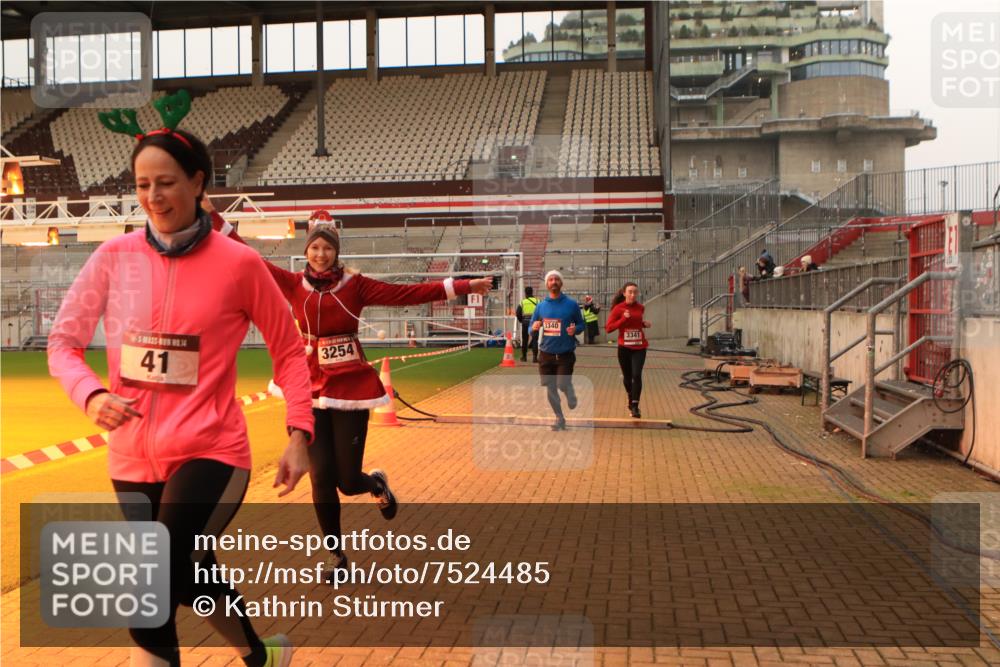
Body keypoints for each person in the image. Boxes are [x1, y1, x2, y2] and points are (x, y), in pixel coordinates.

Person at [48, 126, 313, 667]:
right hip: (130, 455)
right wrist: (91, 395)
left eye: (166, 182)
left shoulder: (240, 264)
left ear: (197, 182)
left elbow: (289, 351)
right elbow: (63, 343)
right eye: (143, 185)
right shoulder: (112, 258)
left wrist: (299, 433)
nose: (153, 196)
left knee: (151, 579)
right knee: (190, 570)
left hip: (210, 449)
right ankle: (262, 656)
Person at [218, 205, 492, 580]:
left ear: (336, 250)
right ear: (306, 251)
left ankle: (374, 483)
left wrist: (461, 285)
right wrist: (213, 217)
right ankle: (337, 557)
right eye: (314, 248)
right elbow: (250, 258)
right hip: (307, 387)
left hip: (349, 387)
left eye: (327, 248)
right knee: (320, 477)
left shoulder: (355, 285)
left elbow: (407, 293)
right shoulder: (291, 283)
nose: (320, 254)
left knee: (347, 481)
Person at [529, 270, 586, 431]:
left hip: (565, 353)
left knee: (562, 384)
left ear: (561, 283)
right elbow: (531, 327)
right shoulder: (540, 306)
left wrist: (576, 329)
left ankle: (569, 392)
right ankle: (559, 417)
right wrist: (533, 327)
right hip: (546, 354)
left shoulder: (571, 304)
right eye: (551, 279)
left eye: (557, 279)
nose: (554, 282)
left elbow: (582, 325)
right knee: (550, 387)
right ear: (547, 284)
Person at [605, 282, 651, 418]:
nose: (633, 295)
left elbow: (636, 322)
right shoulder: (618, 309)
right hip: (624, 347)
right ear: (624, 293)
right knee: (627, 377)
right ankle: (631, 398)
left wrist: (643, 324)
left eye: (635, 292)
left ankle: (635, 406)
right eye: (630, 292)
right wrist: (623, 320)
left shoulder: (641, 308)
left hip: (639, 347)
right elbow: (609, 328)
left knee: (637, 375)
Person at [515, 286, 540, 362]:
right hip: (534, 323)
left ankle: (524, 357)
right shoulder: (538, 301)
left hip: (525, 322)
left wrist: (521, 320)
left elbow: (518, 313)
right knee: (535, 339)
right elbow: (541, 312)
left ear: (525, 293)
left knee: (525, 340)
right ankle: (535, 358)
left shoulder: (523, 302)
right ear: (532, 292)